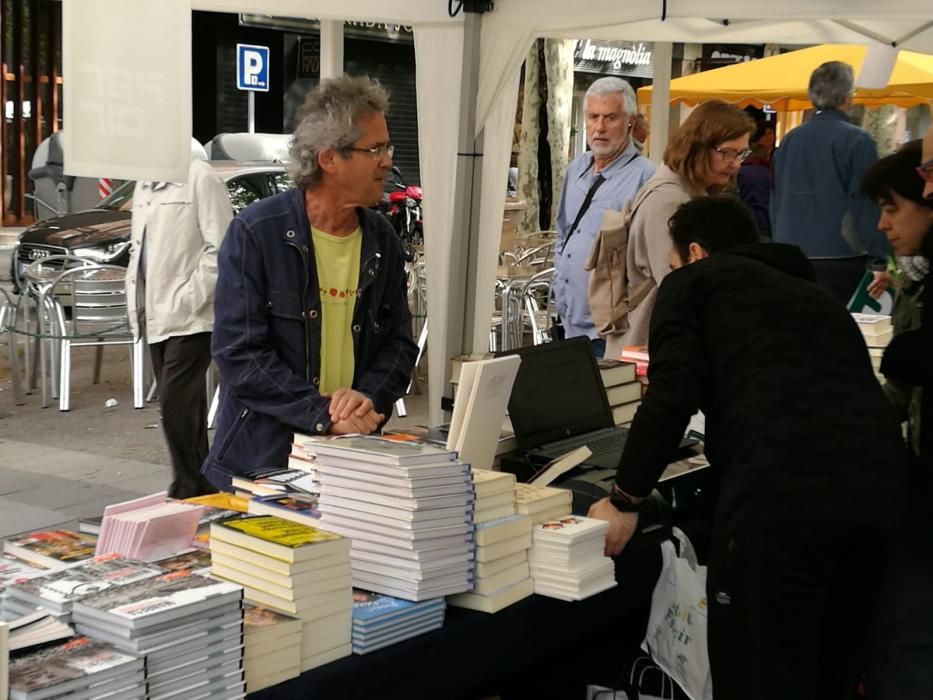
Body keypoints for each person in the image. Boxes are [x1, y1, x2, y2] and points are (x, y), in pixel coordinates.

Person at [588, 195, 909, 700]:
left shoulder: (696, 283)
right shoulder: (816, 297)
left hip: (780, 503)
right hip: (878, 500)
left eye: (672, 264)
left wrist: (625, 498)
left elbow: (671, 395)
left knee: (758, 673)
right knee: (834, 672)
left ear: (694, 253)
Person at [201, 75, 418, 492]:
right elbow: (240, 355)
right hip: (262, 466)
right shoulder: (256, 233)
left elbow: (398, 345)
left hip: (351, 458)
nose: (387, 161)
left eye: (386, 147)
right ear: (328, 159)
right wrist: (322, 415)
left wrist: (367, 398)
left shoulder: (381, 238)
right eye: (374, 149)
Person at [861, 140, 933, 699]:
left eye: (893, 208)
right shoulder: (917, 278)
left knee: (906, 631)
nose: (884, 224)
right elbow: (900, 391)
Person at [604, 100, 754, 356]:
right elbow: (682, 290)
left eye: (741, 154)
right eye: (727, 153)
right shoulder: (669, 201)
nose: (736, 163)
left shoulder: (684, 191)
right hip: (650, 349)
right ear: (698, 147)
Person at [126, 154, 233, 499]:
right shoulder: (145, 182)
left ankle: (186, 484)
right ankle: (201, 481)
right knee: (185, 404)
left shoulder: (200, 177)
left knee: (173, 398)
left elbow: (222, 246)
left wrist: (191, 295)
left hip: (193, 313)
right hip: (155, 311)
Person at [552, 77, 655, 357]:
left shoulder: (646, 177)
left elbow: (647, 263)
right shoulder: (576, 169)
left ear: (629, 122)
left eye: (610, 117)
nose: (599, 127)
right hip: (566, 320)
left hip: (609, 331)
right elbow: (563, 231)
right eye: (593, 116)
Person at [771, 60, 890, 303]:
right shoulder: (858, 140)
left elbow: (776, 198)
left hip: (791, 256)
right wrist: (880, 258)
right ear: (847, 97)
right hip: (842, 256)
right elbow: (866, 203)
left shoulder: (789, 140)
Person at [737, 121, 775, 239]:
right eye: (768, 133)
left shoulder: (774, 152)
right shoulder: (747, 151)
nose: (772, 137)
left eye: (772, 133)